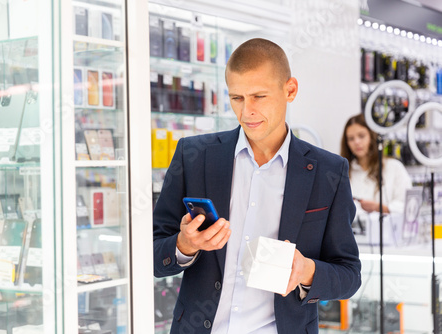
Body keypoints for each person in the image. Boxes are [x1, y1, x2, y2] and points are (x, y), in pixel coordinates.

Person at [153, 38, 361, 334]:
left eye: (259, 96)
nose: (246, 111)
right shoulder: (193, 155)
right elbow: (150, 254)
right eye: (237, 98)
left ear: (290, 90)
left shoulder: (329, 171)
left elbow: (349, 274)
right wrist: (183, 246)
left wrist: (306, 271)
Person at [340, 114, 412, 218]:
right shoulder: (343, 172)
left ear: (372, 136)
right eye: (351, 138)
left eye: (361, 136)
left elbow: (407, 206)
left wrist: (380, 208)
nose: (356, 142)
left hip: (388, 231)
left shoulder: (394, 168)